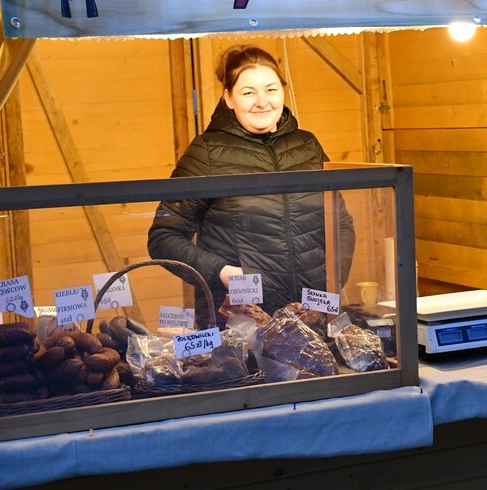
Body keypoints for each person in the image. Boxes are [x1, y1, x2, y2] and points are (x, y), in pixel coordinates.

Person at [148, 45, 355, 323]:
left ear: (282, 92)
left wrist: (332, 278)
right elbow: (164, 238)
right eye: (248, 92)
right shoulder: (206, 152)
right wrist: (221, 272)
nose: (262, 101)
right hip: (243, 323)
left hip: (311, 316)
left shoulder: (307, 145)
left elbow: (340, 222)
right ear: (229, 98)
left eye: (271, 89)